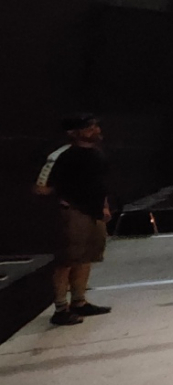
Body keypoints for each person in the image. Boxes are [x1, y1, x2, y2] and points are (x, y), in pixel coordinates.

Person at [33, 113, 112, 325]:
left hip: (93, 212)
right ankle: (60, 308)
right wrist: (64, 201)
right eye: (89, 127)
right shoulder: (61, 155)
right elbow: (41, 187)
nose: (95, 130)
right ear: (73, 132)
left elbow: (99, 183)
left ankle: (79, 301)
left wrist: (103, 205)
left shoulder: (96, 154)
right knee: (67, 260)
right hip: (72, 213)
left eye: (95, 126)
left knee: (86, 257)